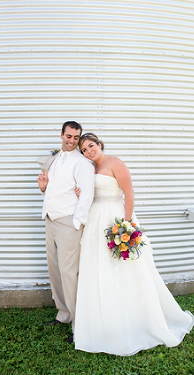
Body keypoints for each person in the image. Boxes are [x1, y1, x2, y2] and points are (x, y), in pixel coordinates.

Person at [74, 132, 194, 355]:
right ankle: (104, 322)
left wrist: (126, 226)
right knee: (98, 268)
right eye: (84, 150)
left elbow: (128, 193)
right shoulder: (89, 169)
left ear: (99, 144)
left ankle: (138, 320)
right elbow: (90, 194)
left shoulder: (115, 162)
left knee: (125, 268)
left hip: (115, 218)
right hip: (95, 220)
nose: (88, 151)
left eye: (91, 146)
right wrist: (81, 193)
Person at [37, 121, 95, 342]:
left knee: (70, 275)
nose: (72, 141)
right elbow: (55, 190)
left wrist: (76, 223)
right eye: (68, 136)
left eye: (75, 137)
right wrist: (43, 189)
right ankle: (63, 315)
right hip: (50, 220)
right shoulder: (54, 160)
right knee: (56, 272)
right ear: (61, 135)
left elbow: (87, 195)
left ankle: (79, 326)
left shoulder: (82, 163)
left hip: (68, 224)